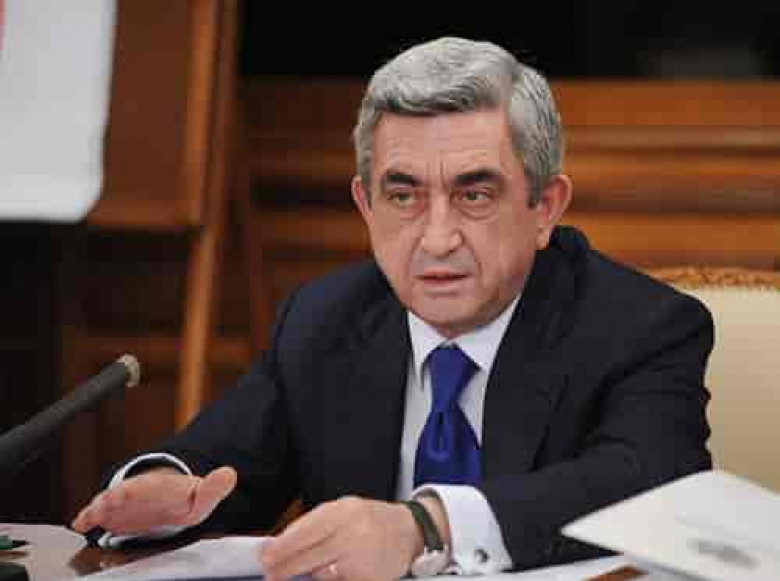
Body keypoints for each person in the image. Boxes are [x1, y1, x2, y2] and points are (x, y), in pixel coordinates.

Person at [71, 37, 713, 579]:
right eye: (403, 196)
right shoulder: (324, 320)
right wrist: (161, 491)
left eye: (475, 195)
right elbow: (224, 466)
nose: (437, 238)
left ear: (544, 208)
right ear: (365, 206)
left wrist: (425, 528)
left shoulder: (638, 327)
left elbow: (652, 485)